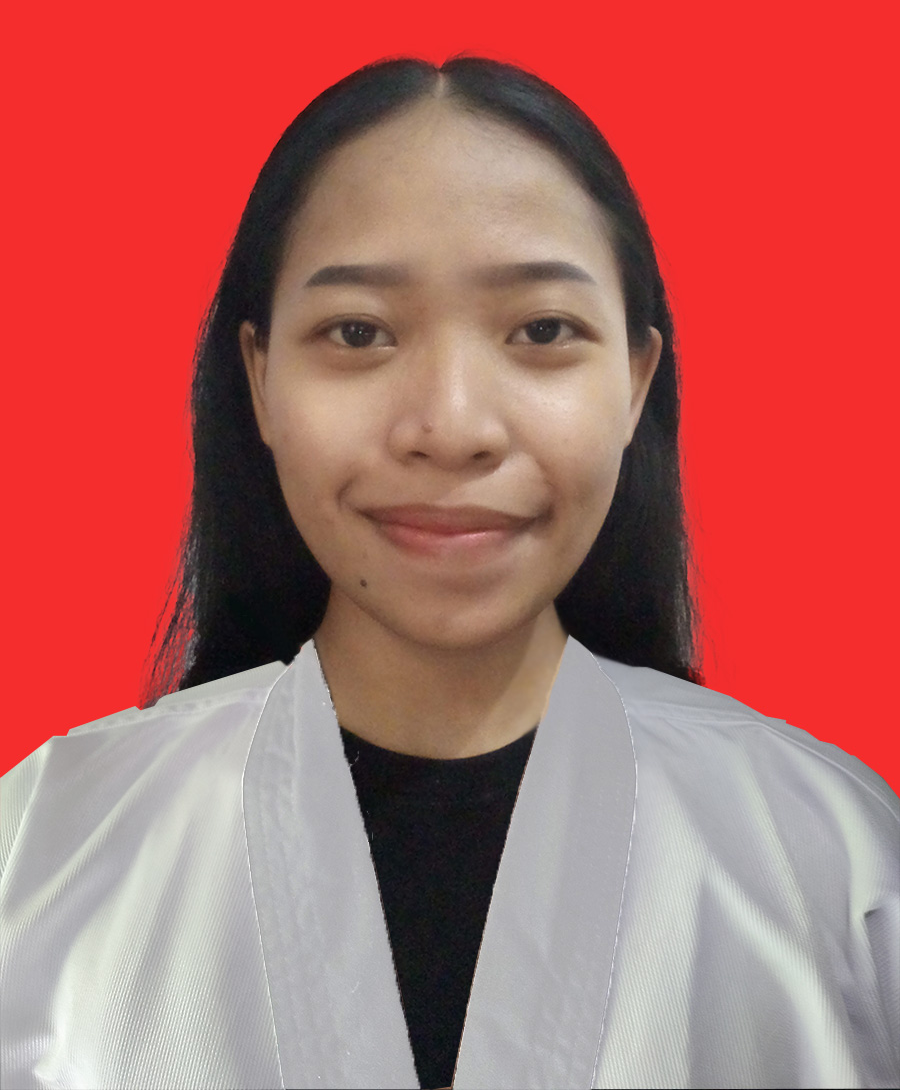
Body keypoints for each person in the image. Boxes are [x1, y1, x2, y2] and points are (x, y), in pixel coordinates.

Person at [1, 56, 897, 1090]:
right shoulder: (45, 855)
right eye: (358, 333)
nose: (452, 426)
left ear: (634, 381)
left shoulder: (836, 868)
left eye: (543, 331)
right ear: (260, 376)